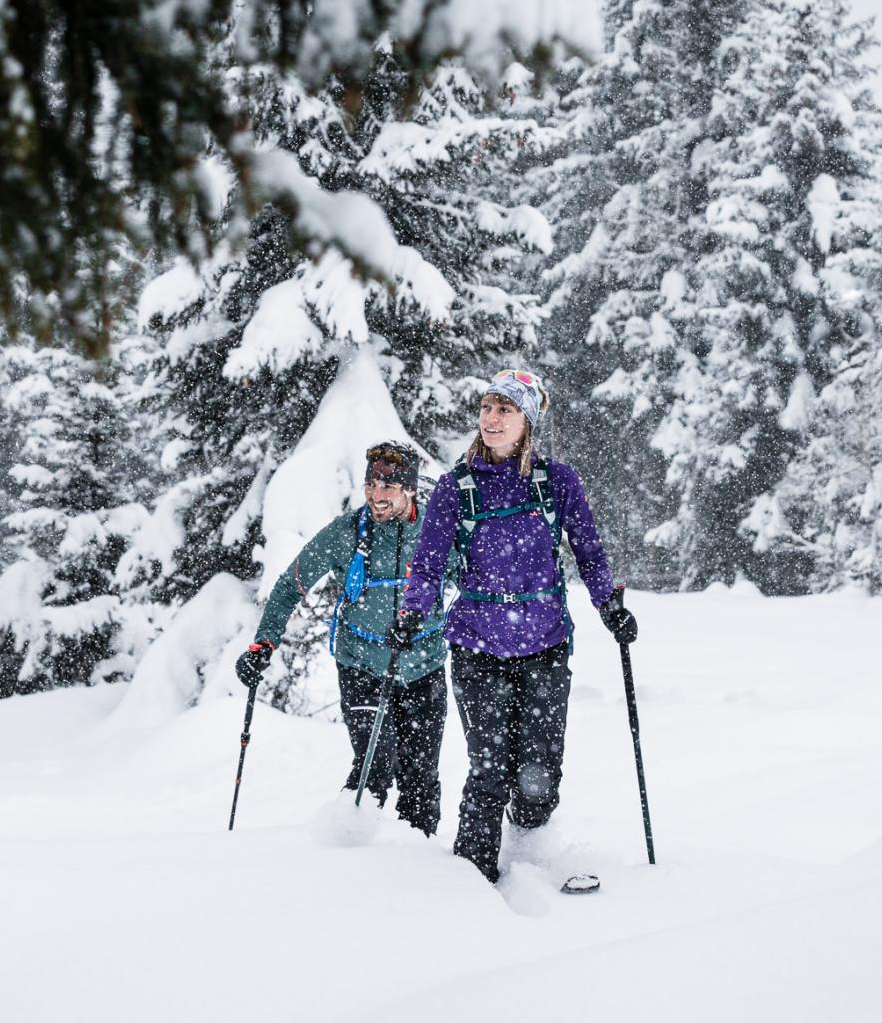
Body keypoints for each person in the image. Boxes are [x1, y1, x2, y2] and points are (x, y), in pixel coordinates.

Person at [397, 370, 637, 883]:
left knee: (537, 778)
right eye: (486, 408)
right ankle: (471, 880)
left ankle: (528, 844)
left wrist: (608, 605)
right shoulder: (454, 488)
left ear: (526, 421)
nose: (491, 419)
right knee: (488, 769)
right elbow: (428, 563)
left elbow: (589, 554)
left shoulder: (556, 482)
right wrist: (413, 610)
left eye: (504, 409)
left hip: (545, 643)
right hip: (476, 645)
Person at [235, 441, 448, 835]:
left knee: (421, 776)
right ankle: (349, 853)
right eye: (371, 484)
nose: (376, 495)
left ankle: (419, 867)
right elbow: (289, 586)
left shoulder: (435, 533)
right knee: (375, 764)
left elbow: (474, 584)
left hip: (425, 668)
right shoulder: (347, 533)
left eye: (388, 487)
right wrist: (263, 642)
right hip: (361, 666)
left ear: (411, 489)